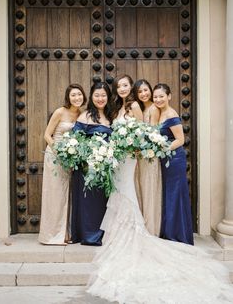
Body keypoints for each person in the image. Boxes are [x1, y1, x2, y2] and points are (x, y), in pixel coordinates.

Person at [86, 82, 233, 303]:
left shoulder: (146, 108)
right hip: (123, 158)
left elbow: (155, 135)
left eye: (127, 86)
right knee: (124, 192)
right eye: (120, 86)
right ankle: (125, 230)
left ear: (169, 96)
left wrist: (147, 147)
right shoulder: (121, 108)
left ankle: (138, 230)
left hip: (141, 157)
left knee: (131, 192)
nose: (123, 89)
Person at [38, 83, 86, 245]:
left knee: (68, 193)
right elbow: (46, 134)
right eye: (73, 95)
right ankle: (51, 235)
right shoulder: (60, 112)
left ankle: (66, 232)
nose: (77, 98)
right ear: (68, 97)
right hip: (55, 156)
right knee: (55, 194)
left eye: (79, 94)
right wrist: (58, 151)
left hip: (70, 159)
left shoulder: (82, 114)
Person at [70, 82, 113, 246]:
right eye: (97, 95)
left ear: (108, 97)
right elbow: (75, 141)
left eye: (103, 95)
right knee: (88, 201)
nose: (100, 98)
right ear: (92, 97)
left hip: (105, 167)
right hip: (87, 168)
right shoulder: (85, 116)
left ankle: (103, 233)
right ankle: (88, 234)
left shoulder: (111, 116)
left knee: (104, 201)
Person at [153, 83, 194, 245]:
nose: (158, 99)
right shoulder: (160, 113)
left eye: (161, 96)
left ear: (169, 96)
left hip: (174, 158)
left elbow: (180, 140)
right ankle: (169, 230)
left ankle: (177, 234)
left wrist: (163, 150)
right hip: (165, 159)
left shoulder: (171, 114)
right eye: (155, 97)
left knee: (174, 194)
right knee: (167, 193)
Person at [133, 79, 162, 236]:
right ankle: (141, 227)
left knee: (149, 190)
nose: (143, 94)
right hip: (140, 157)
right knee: (141, 190)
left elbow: (152, 133)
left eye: (146, 90)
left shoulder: (153, 109)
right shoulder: (141, 109)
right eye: (140, 92)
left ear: (150, 90)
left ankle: (151, 231)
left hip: (149, 156)